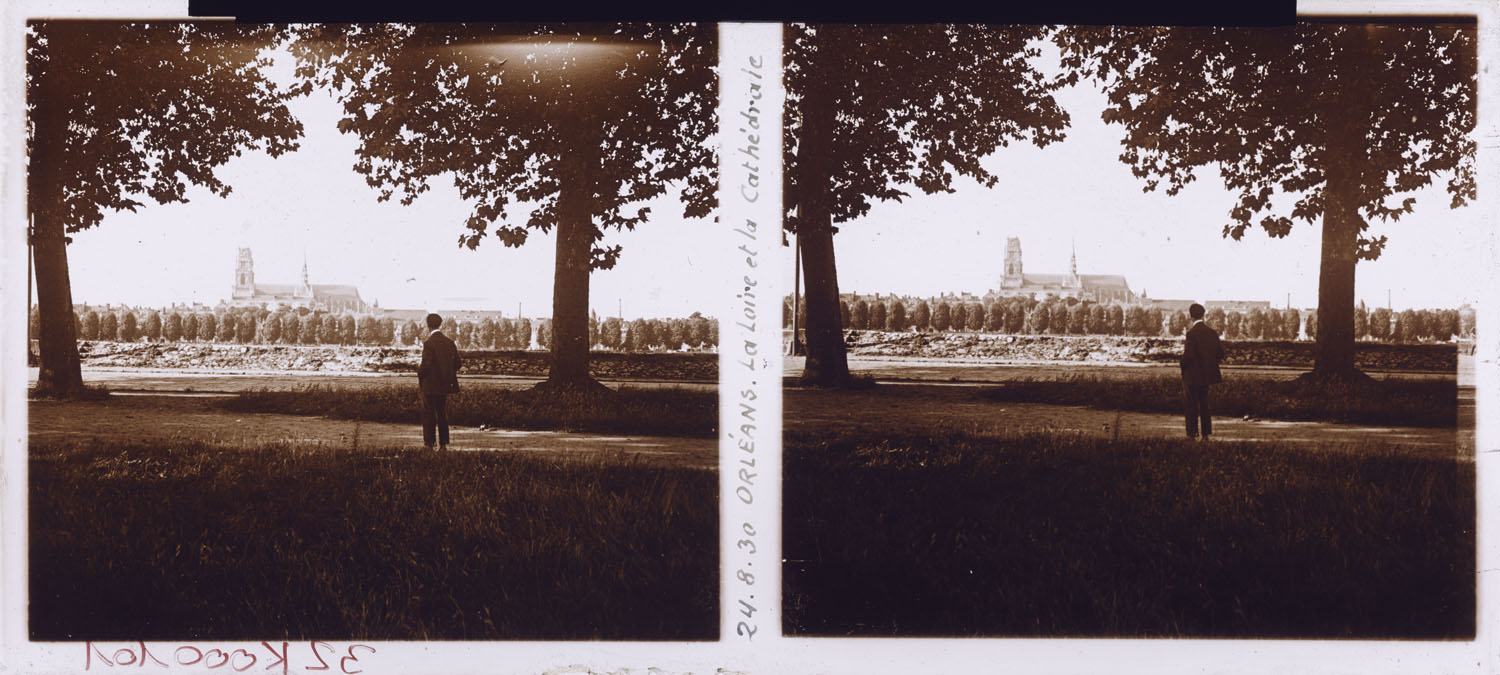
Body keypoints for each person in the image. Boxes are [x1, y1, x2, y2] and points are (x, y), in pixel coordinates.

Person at [1180, 302, 1224, 440]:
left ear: (1190, 316)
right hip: (1206, 375)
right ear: (1203, 315)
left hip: (1192, 376)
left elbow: (1188, 356)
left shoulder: (1191, 334)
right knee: (1205, 404)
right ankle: (1206, 435)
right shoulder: (1212, 333)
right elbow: (1220, 354)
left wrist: (1182, 366)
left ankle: (1192, 434)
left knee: (1191, 406)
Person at [418, 312, 461, 450]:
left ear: (428, 325)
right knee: (442, 413)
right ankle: (443, 444)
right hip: (444, 384)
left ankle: (429, 444)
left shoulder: (429, 344)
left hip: (429, 385)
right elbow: (458, 364)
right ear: (440, 324)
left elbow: (426, 365)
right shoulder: (450, 343)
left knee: (428, 414)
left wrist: (420, 375)